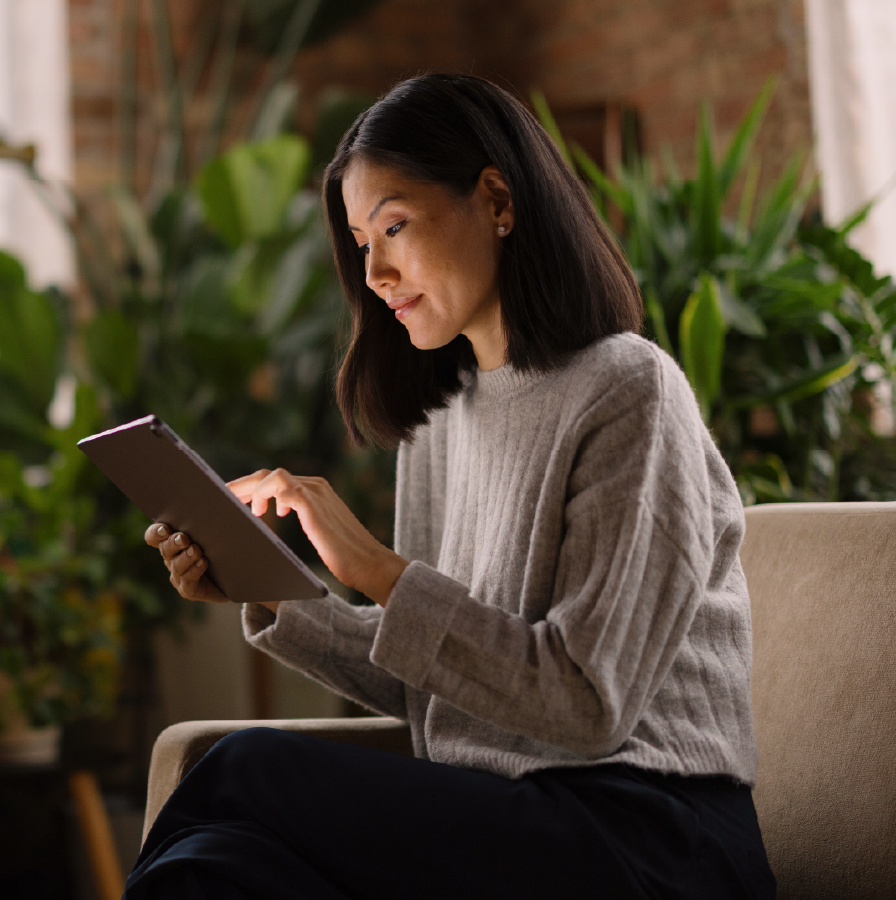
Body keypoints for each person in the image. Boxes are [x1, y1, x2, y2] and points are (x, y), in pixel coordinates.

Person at [128, 73, 776, 899]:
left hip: (650, 834)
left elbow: (587, 703)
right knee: (217, 870)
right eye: (362, 243)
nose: (376, 273)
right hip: (497, 824)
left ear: (497, 200)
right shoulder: (442, 419)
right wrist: (276, 592)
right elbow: (438, 677)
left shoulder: (628, 391)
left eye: (394, 226)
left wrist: (378, 572)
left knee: (246, 765)